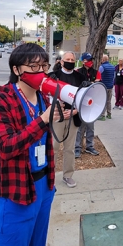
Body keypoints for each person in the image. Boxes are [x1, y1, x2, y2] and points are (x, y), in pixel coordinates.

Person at [0, 43, 61, 246]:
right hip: (15, 194)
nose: (41, 71)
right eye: (34, 66)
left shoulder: (43, 98)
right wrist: (43, 120)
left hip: (43, 188)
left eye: (44, 66)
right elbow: (6, 147)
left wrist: (59, 116)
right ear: (17, 69)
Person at [49, 51, 86, 188]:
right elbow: (46, 95)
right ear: (61, 61)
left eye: (72, 59)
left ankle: (68, 176)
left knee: (69, 148)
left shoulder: (80, 78)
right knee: (53, 147)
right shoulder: (54, 76)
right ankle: (50, 176)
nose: (70, 61)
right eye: (67, 59)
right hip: (57, 116)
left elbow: (85, 98)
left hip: (73, 116)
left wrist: (75, 111)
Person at [74, 52, 101, 158]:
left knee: (91, 126)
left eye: (91, 60)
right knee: (79, 128)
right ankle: (77, 148)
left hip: (92, 103)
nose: (91, 62)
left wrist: (90, 83)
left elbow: (98, 85)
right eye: (88, 60)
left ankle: (90, 146)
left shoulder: (96, 72)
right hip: (80, 102)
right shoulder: (77, 72)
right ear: (83, 61)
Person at [99, 54, 115, 120]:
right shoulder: (112, 67)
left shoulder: (102, 67)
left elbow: (99, 75)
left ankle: (102, 116)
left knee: (103, 101)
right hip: (110, 86)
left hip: (104, 86)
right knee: (109, 101)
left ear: (103, 60)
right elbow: (114, 76)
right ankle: (109, 114)